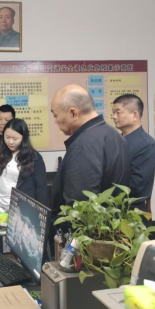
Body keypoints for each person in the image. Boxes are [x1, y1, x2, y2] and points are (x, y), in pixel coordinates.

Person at [50, 85, 130, 215]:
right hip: (112, 222)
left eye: (55, 115)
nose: (55, 121)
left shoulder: (84, 144)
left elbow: (79, 205)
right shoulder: (113, 133)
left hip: (91, 226)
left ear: (73, 113)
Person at [0, 119, 48, 209]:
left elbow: (41, 189)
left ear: (24, 138)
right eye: (7, 137)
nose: (10, 142)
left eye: (15, 139)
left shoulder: (34, 158)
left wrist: (40, 212)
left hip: (20, 210)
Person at [113, 94, 155, 211]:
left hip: (131, 210)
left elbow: (136, 186)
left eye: (118, 112)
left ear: (134, 115)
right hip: (111, 206)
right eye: (113, 113)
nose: (114, 117)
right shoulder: (116, 140)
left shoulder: (146, 145)